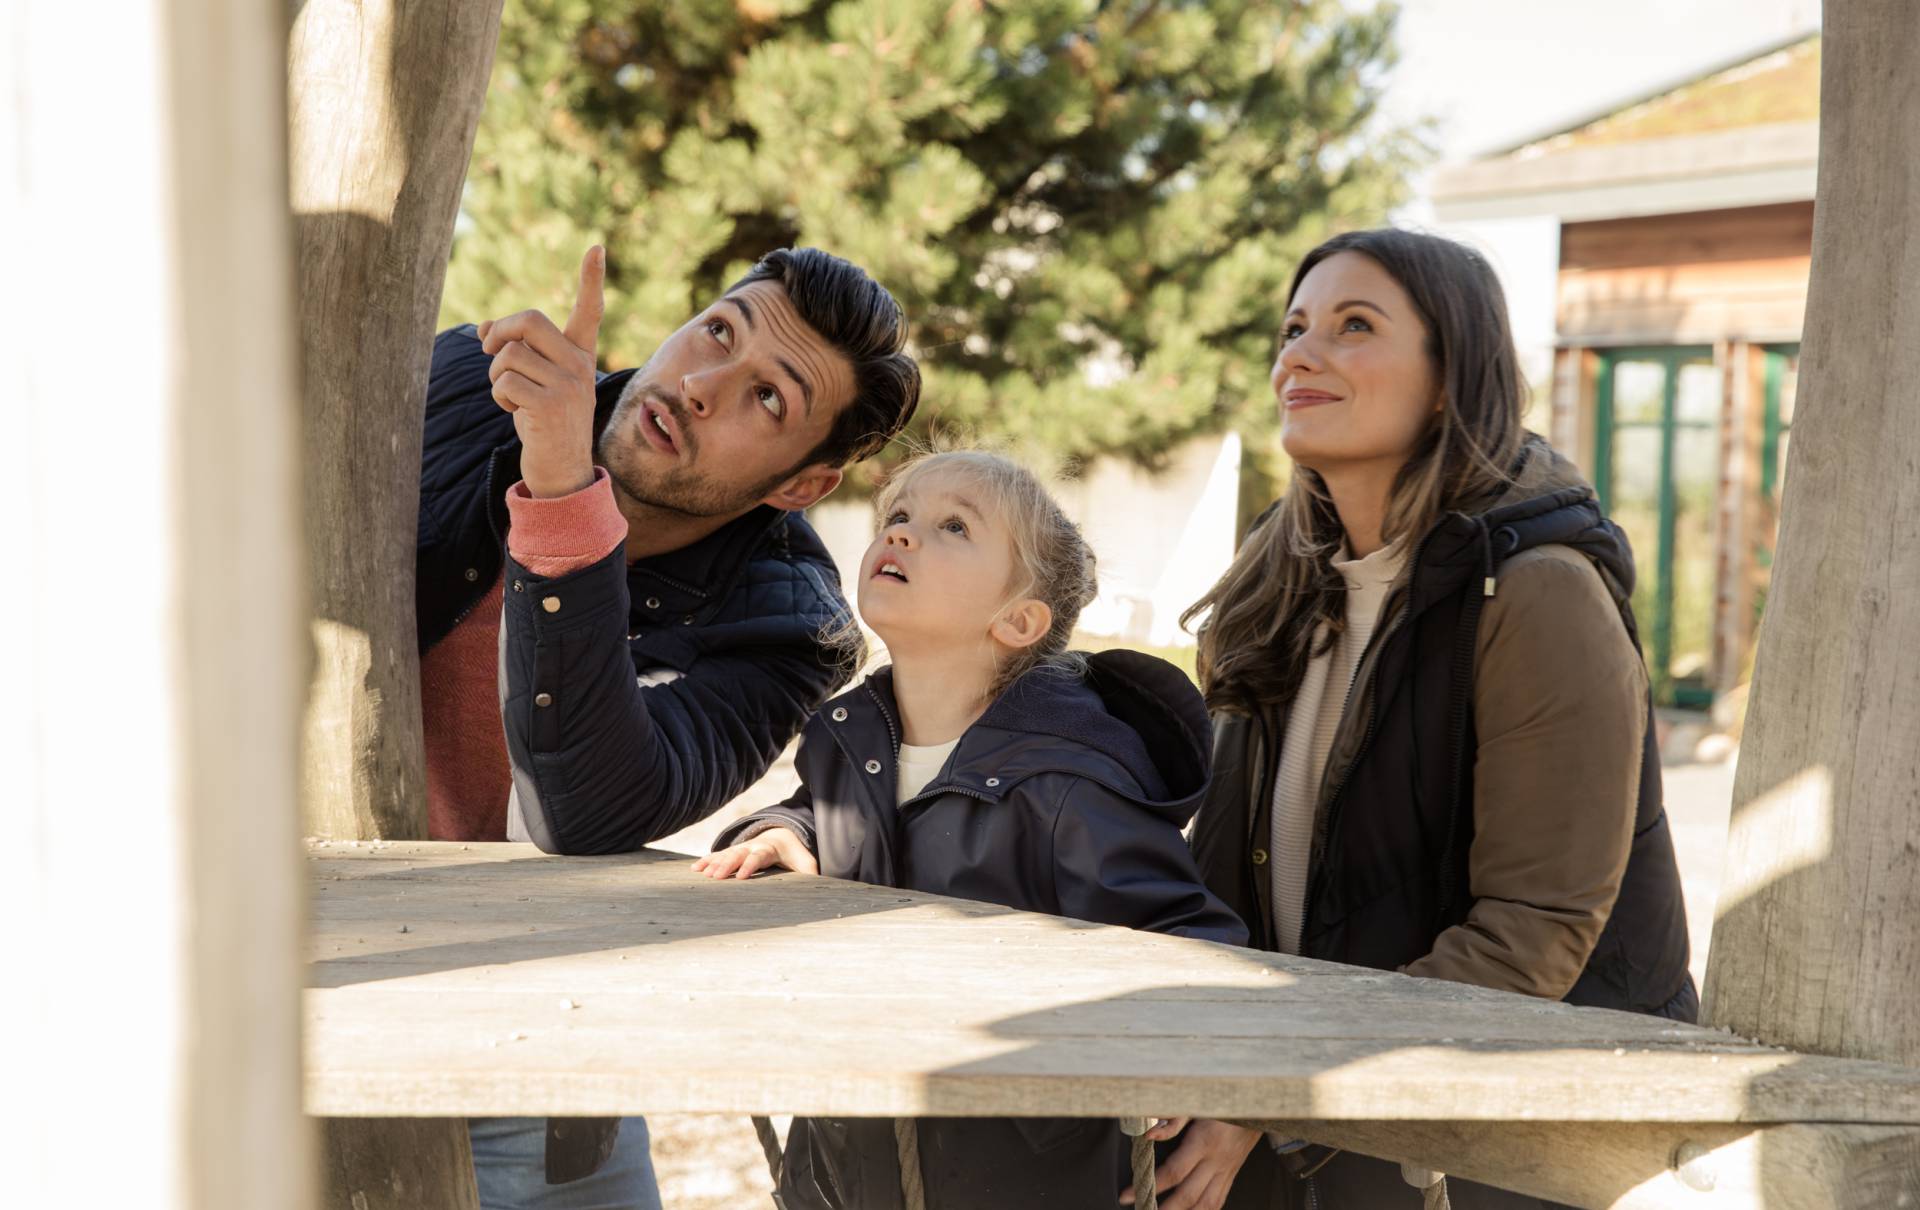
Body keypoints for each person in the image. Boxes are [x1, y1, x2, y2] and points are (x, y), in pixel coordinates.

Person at [1172, 229, 1695, 1210]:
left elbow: (1527, 944)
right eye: (1294, 328)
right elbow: (1220, 878)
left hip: (1507, 1144)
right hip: (1309, 1129)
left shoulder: (1540, 595)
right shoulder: (1276, 581)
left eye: (1354, 325)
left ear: (1453, 378)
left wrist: (1265, 1090)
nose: (1300, 355)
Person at [417, 245, 921, 1208]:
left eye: (766, 398)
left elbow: (588, 812)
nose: (699, 386)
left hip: (527, 1059)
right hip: (278, 990)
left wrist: (564, 490)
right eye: (717, 332)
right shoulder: (463, 384)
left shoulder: (788, 625)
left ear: (801, 485)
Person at [696, 450, 1247, 1209]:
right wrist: (789, 830)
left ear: (1018, 620)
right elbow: (828, 815)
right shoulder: (849, 740)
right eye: (897, 516)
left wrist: (1222, 1087)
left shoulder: (1067, 788)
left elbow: (1195, 944)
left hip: (1022, 1177)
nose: (904, 535)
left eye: (953, 525)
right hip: (849, 1159)